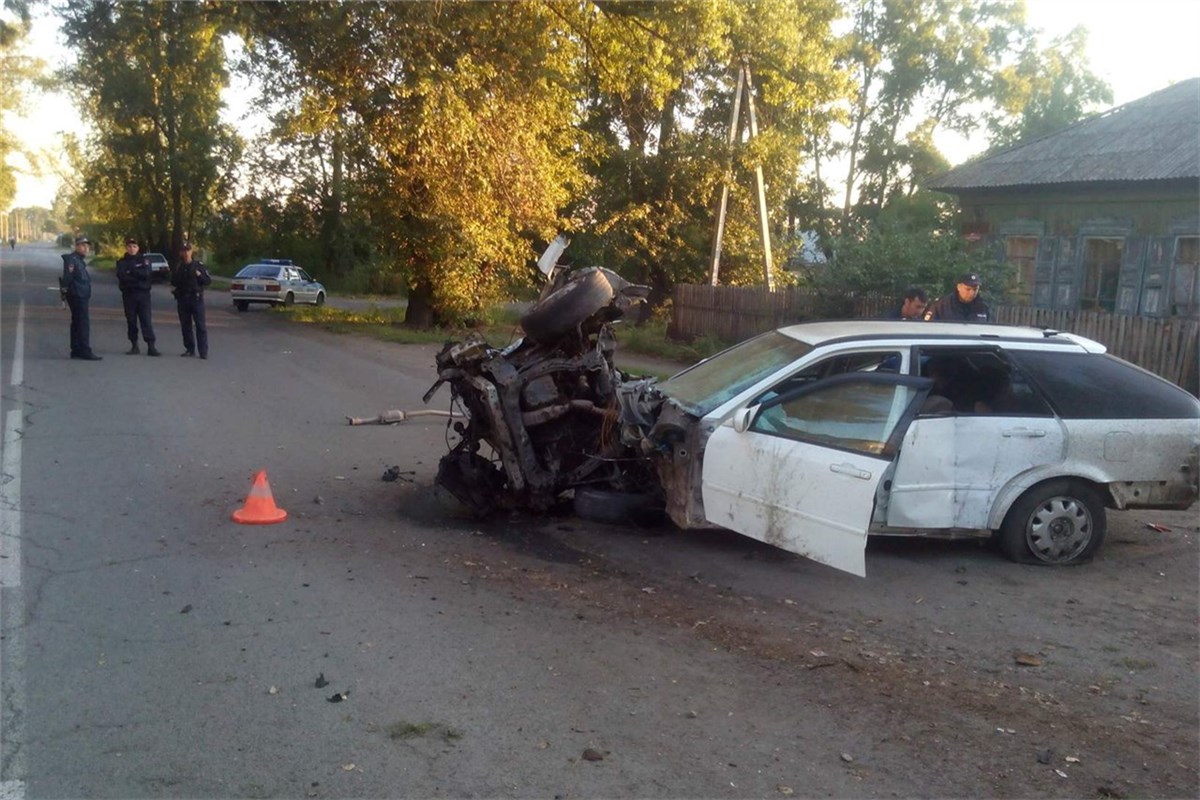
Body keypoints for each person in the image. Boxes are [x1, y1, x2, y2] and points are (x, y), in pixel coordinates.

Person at [115, 237, 160, 356]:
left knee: (146, 320)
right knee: (131, 321)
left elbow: (146, 274)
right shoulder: (122, 262)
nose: (132, 249)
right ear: (126, 248)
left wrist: (132, 271)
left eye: (134, 246)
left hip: (143, 295)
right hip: (129, 295)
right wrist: (136, 274)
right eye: (129, 246)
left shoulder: (144, 260)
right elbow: (122, 276)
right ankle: (134, 345)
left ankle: (151, 346)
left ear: (138, 248)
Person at [61, 236, 102, 360]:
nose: (86, 248)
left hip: (81, 294)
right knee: (83, 323)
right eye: (83, 245)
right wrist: (65, 291)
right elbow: (68, 277)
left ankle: (76, 349)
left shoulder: (78, 260)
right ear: (77, 246)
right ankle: (84, 350)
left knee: (77, 322)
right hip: (77, 295)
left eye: (87, 246)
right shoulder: (72, 260)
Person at [171, 242, 211, 359]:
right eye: (184, 251)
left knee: (200, 326)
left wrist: (199, 275)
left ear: (191, 251)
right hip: (183, 299)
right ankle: (189, 349)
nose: (186, 253)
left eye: (188, 250)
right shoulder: (179, 266)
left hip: (196, 299)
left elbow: (207, 281)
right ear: (181, 253)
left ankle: (203, 351)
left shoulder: (198, 265)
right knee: (185, 325)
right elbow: (173, 281)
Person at [924, 272, 991, 322]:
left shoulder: (983, 308)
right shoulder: (942, 305)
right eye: (968, 289)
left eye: (975, 289)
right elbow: (928, 328)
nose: (972, 293)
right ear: (959, 287)